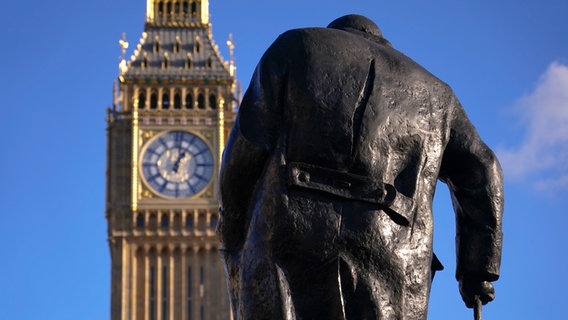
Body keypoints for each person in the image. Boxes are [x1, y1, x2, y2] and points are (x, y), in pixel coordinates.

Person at [218, 14, 503, 319]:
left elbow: (246, 147)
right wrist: (477, 271)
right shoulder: (438, 95)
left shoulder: (296, 46)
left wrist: (231, 230)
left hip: (293, 234)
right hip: (394, 248)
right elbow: (484, 172)